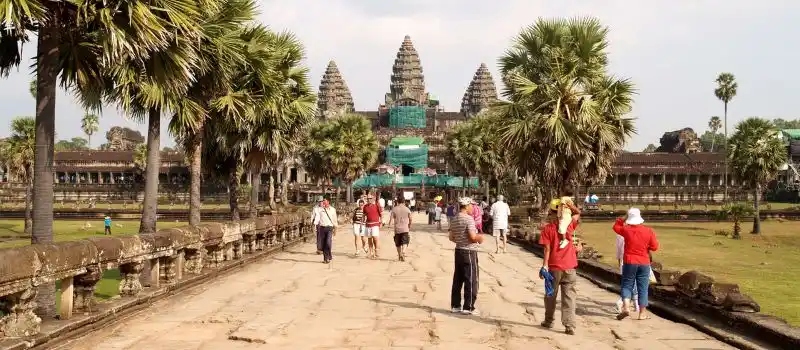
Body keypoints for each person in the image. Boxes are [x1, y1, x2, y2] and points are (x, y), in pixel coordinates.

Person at [539, 201, 581, 335]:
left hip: (554, 267)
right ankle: (569, 325)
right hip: (570, 267)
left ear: (552, 213)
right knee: (569, 297)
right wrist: (571, 206)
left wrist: (544, 266)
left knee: (550, 295)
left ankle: (549, 320)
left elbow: (547, 250)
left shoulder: (548, 229)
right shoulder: (570, 226)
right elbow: (578, 213)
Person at [613, 208, 659, 321]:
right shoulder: (648, 231)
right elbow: (655, 247)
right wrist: (646, 246)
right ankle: (642, 313)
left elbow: (615, 227)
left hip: (629, 261)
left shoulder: (626, 230)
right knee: (643, 288)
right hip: (644, 262)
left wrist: (623, 218)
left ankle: (626, 307)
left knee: (627, 285)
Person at [448, 197, 484, 315]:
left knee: (458, 279)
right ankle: (468, 307)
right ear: (467, 206)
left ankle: (455, 305)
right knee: (471, 279)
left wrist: (460, 240)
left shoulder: (454, 219)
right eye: (472, 205)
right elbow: (473, 237)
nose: (473, 208)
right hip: (469, 252)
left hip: (458, 251)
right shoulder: (469, 219)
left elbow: (451, 237)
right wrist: (480, 238)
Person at [615, 233, 639, 314]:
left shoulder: (620, 234)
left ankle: (634, 304)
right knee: (632, 283)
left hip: (625, 261)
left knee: (628, 284)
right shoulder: (635, 232)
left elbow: (618, 251)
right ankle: (622, 302)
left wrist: (619, 263)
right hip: (634, 260)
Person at [317, 199, 338, 264]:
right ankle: (326, 258)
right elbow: (317, 218)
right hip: (322, 228)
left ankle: (329, 254)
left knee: (328, 243)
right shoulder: (320, 209)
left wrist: (335, 229)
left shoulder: (333, 210)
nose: (323, 202)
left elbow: (335, 220)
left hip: (329, 228)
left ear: (328, 202)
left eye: (325, 201)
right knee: (323, 244)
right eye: (323, 201)